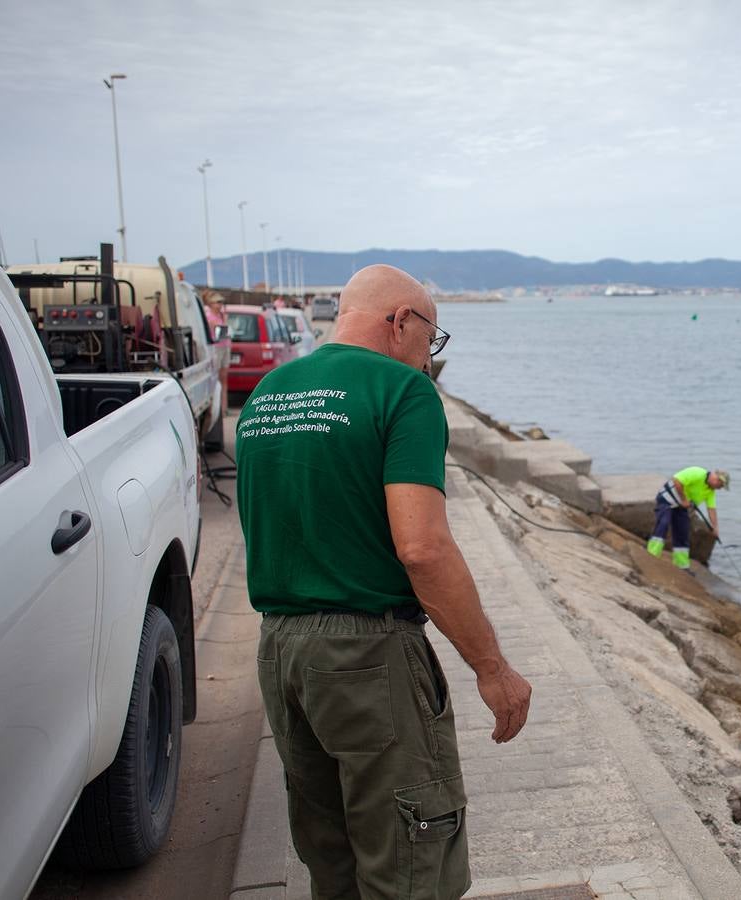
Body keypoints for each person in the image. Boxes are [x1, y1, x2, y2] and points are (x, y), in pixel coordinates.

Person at [236, 264, 532, 900]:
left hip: (280, 651)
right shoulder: (403, 391)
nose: (431, 354)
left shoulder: (269, 392)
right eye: (433, 335)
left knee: (331, 855)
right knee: (410, 864)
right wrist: (492, 667)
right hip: (366, 655)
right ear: (400, 322)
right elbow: (423, 548)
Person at [646, 467, 729, 569]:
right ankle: (651, 555)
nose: (719, 488)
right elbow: (677, 480)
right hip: (667, 500)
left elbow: (711, 509)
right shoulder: (697, 472)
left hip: (681, 506)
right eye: (720, 486)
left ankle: (682, 565)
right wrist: (684, 500)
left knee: (683, 532)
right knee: (663, 523)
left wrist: (715, 528)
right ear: (717, 479)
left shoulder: (710, 491)